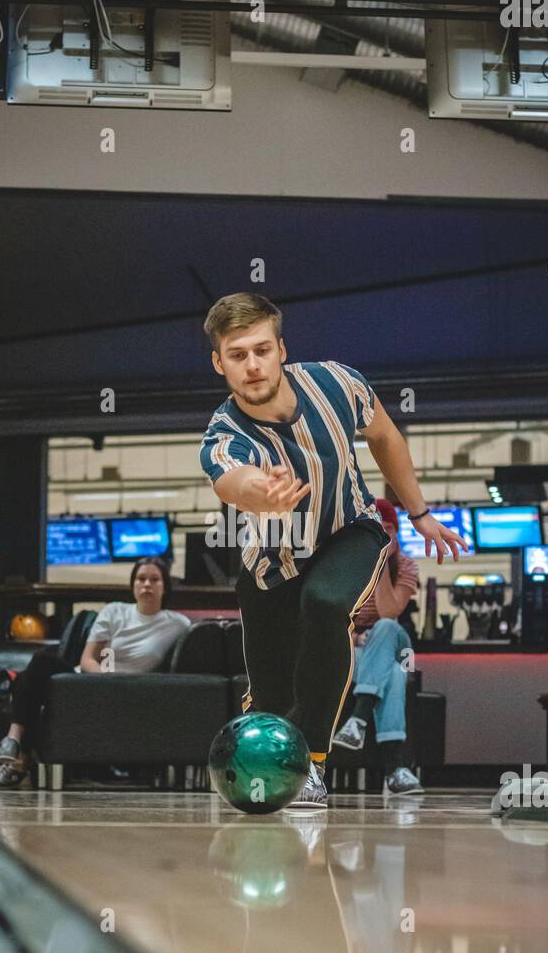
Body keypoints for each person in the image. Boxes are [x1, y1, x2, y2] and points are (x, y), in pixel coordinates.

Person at [199, 292, 467, 808]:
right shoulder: (223, 431)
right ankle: (262, 776)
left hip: (351, 530)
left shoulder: (337, 382)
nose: (252, 365)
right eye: (237, 355)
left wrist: (419, 513)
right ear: (219, 363)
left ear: (281, 349)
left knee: (325, 604)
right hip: (272, 563)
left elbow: (385, 435)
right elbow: (231, 481)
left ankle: (314, 765)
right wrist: (263, 489)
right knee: (272, 699)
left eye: (261, 350)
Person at [0, 557, 189, 788]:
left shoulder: (178, 624)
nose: (147, 585)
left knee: (24, 679)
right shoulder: (115, 611)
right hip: (89, 681)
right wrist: (104, 681)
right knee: (41, 661)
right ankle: (13, 740)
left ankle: (16, 761)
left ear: (165, 587)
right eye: (141, 579)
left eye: (154, 580)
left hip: (132, 691)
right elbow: (88, 659)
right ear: (133, 585)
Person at [333, 497, 422, 795]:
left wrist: (381, 565)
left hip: (398, 645)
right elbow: (335, 619)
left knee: (385, 628)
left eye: (387, 530)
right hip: (357, 649)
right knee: (395, 675)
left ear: (395, 533)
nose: (382, 537)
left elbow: (389, 612)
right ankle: (395, 770)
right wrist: (356, 637)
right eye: (375, 531)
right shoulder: (347, 566)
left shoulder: (407, 566)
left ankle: (359, 717)